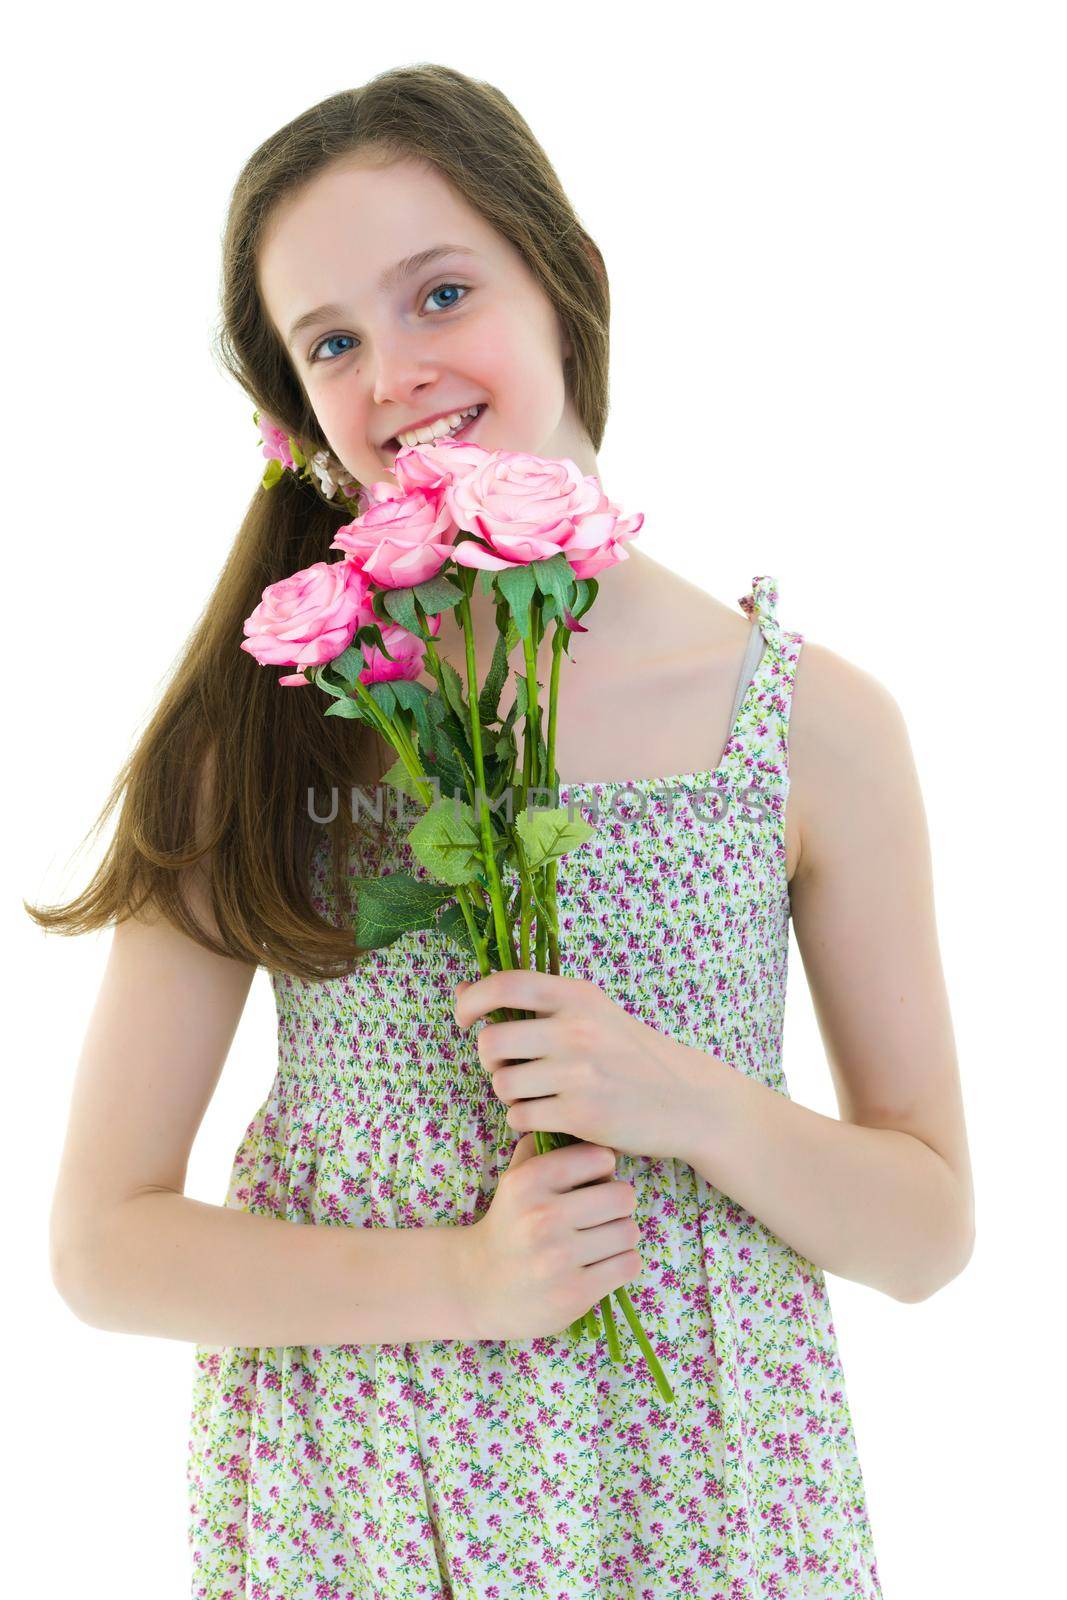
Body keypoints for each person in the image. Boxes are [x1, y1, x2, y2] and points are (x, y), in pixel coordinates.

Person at [32, 64, 974, 1600]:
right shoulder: (266, 728)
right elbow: (105, 1246)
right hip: (368, 1494)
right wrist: (468, 1279)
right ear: (295, 410)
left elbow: (926, 1232)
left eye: (442, 291)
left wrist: (685, 1097)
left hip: (708, 1496)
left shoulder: (812, 725)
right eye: (331, 340)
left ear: (571, 281)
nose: (393, 369)